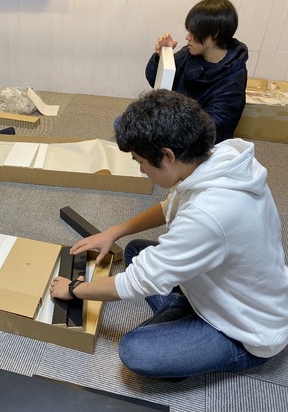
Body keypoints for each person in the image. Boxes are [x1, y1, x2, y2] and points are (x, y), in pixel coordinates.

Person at [50, 89, 288, 380]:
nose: (141, 169)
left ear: (167, 156)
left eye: (140, 161)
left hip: (246, 329)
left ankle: (191, 328)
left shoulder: (209, 214)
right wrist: (113, 232)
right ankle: (181, 311)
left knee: (136, 351)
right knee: (135, 249)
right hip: (228, 287)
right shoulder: (218, 159)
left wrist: (73, 290)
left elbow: (136, 282)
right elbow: (170, 205)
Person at [145, 0, 248, 143]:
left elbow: (211, 127)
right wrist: (161, 56)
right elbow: (156, 82)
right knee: (124, 124)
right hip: (174, 122)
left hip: (199, 140)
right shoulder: (188, 54)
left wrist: (164, 127)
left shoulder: (233, 77)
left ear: (214, 33)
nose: (187, 37)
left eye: (193, 32)